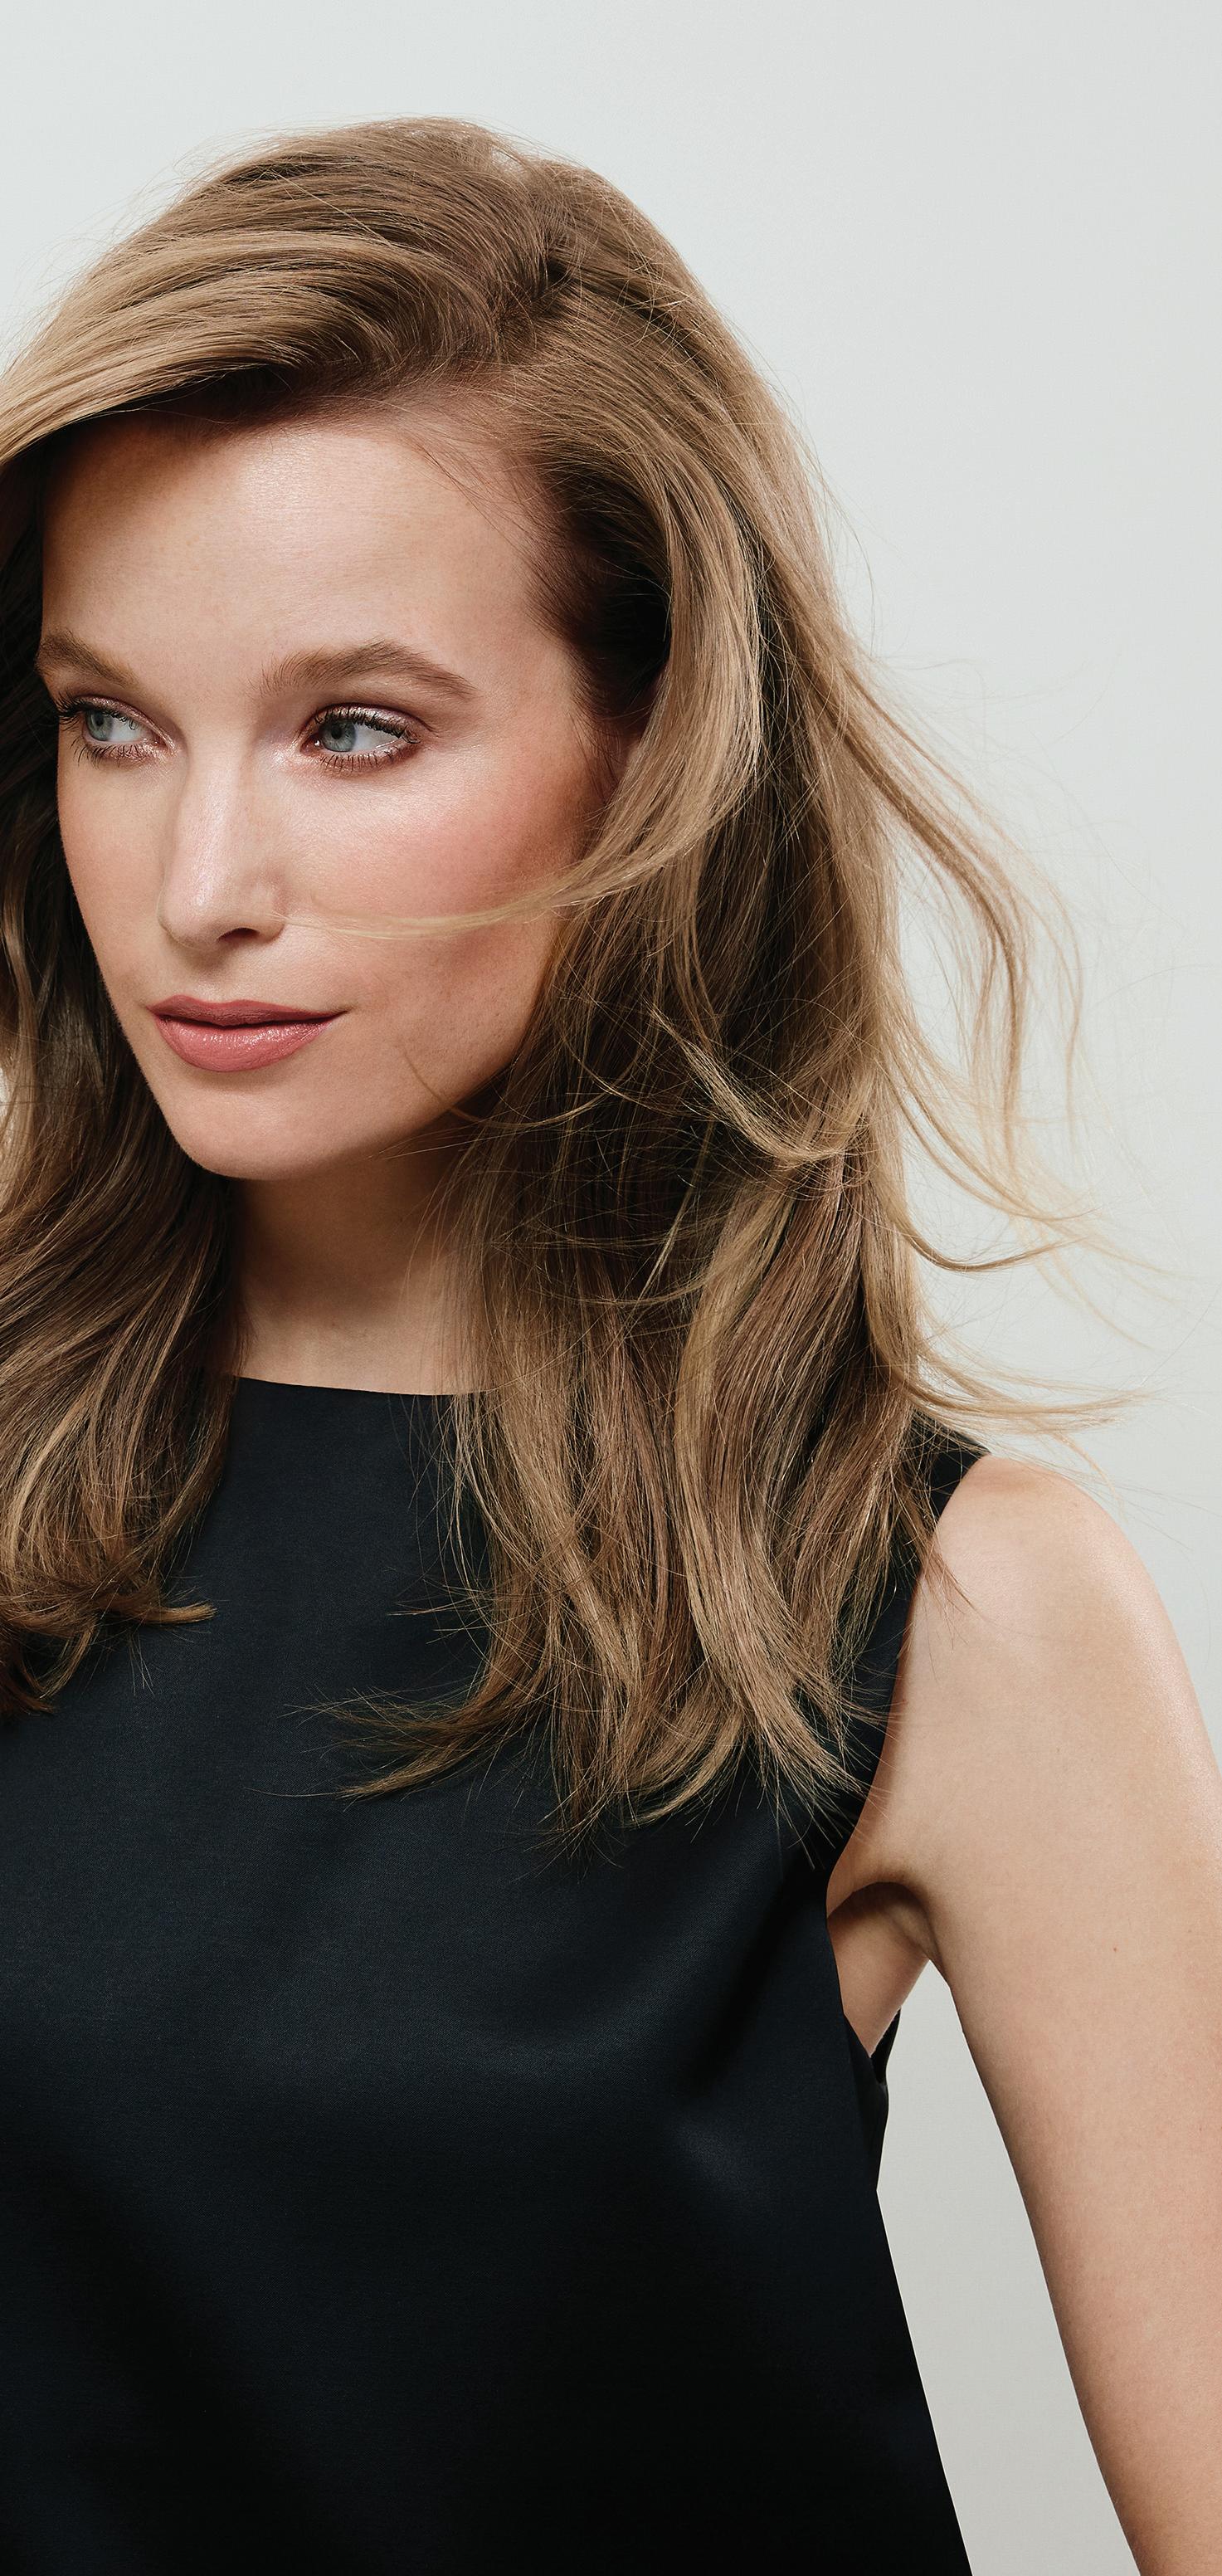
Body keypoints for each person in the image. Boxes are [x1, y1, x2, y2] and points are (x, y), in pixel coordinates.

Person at [0, 114, 1217, 2576]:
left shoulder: (945, 1611)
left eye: (356, 728)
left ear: (651, 757)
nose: (198, 884)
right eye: (110, 720)